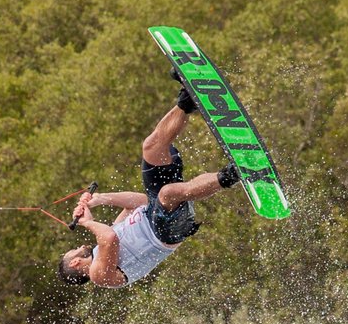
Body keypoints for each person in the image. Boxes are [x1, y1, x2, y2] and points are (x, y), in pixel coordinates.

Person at [57, 81, 241, 288]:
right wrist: (87, 223)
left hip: (154, 211)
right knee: (168, 193)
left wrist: (100, 199)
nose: (80, 246)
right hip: (164, 233)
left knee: (151, 147)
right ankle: (232, 174)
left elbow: (138, 202)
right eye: (73, 251)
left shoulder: (113, 234)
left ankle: (187, 101)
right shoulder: (99, 275)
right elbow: (108, 238)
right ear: (75, 262)